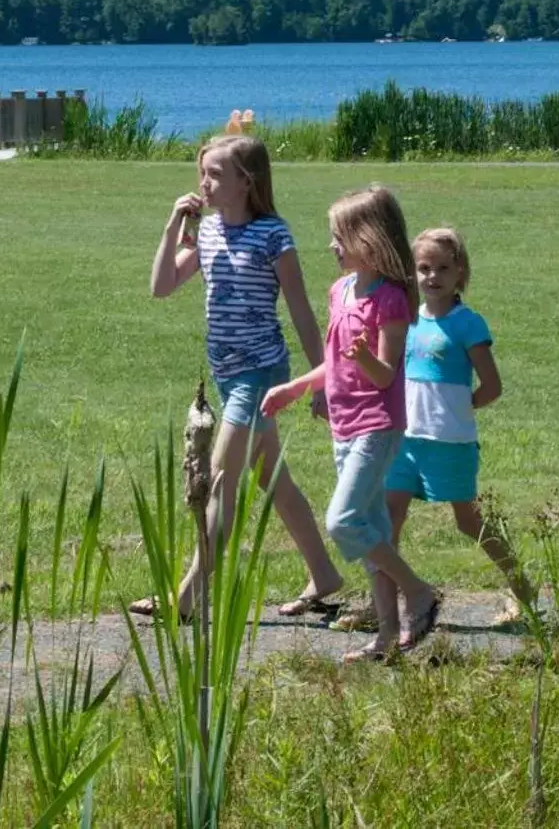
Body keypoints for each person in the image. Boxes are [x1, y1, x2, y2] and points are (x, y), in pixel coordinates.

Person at [140, 134, 345, 620]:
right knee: (274, 480)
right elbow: (162, 286)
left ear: (245, 182)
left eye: (215, 174)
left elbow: (300, 313)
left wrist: (322, 383)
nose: (204, 183)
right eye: (202, 173)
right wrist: (174, 226)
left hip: (262, 375)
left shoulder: (274, 235)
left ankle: (188, 596)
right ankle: (323, 573)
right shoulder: (207, 232)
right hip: (227, 374)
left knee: (218, 479)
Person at [262, 186, 441, 661]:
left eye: (340, 236)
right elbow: (333, 363)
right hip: (343, 425)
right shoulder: (339, 291)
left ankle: (419, 593)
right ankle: (385, 638)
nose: (332, 245)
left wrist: (363, 355)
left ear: (371, 239)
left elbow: (384, 373)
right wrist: (297, 388)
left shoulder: (391, 303)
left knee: (343, 521)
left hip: (378, 426)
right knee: (372, 531)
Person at [386, 228, 535, 624]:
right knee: (389, 517)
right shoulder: (405, 317)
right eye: (423, 268)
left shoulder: (467, 323)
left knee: (468, 521)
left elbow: (492, 386)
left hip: (449, 441)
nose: (432, 277)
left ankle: (523, 588)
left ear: (460, 274)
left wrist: (458, 407)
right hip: (404, 438)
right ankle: (381, 604)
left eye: (442, 268)